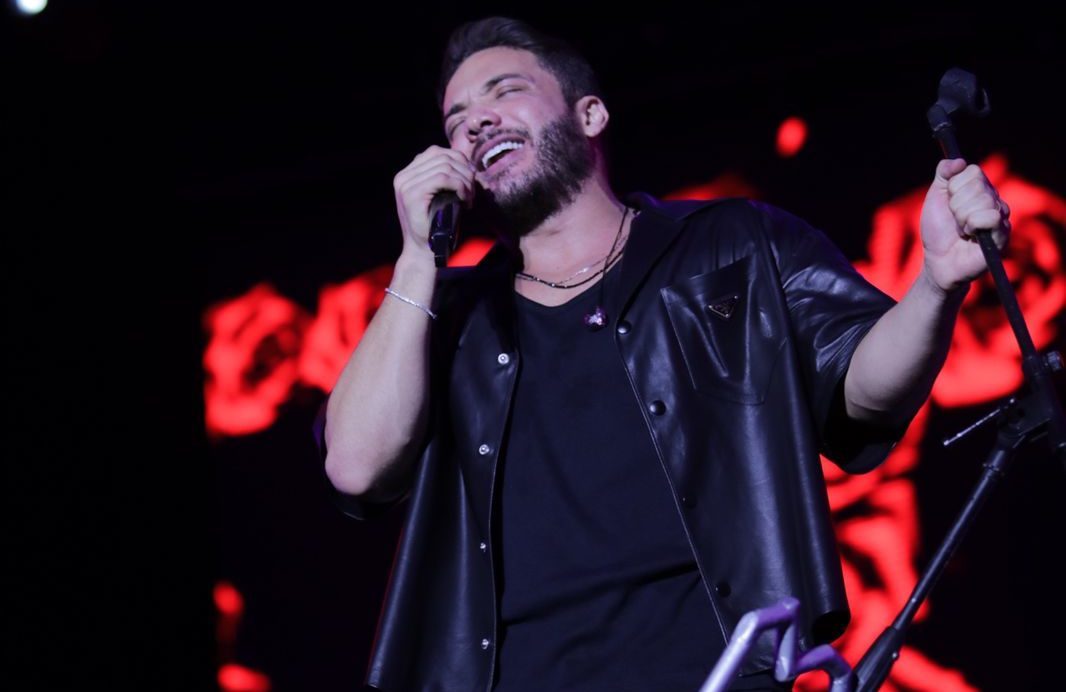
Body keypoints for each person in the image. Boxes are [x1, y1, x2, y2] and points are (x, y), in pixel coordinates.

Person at [315, 16, 1011, 692]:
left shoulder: (733, 244)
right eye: (456, 119)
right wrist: (417, 260)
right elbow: (355, 466)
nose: (476, 123)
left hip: (715, 673)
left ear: (590, 115)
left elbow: (863, 385)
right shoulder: (448, 319)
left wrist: (935, 284)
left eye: (505, 91)